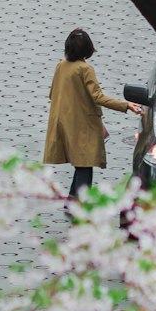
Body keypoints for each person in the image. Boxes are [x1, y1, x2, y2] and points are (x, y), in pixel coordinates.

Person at [43, 27, 142, 200]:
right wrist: (126, 105)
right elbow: (98, 97)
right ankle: (80, 203)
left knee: (81, 164)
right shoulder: (85, 69)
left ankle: (73, 199)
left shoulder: (61, 66)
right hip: (82, 125)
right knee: (85, 164)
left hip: (63, 122)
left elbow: (53, 94)